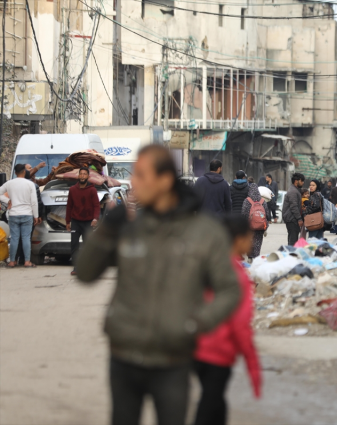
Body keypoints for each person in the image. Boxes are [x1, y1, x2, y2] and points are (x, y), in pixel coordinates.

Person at [75, 145, 241, 425]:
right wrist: (106, 230)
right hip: (123, 355)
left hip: (173, 361)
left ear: (164, 181)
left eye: (140, 174)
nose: (133, 182)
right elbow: (85, 273)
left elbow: (229, 289)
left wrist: (196, 322)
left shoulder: (203, 232)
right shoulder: (129, 226)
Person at [193, 215, 261, 425]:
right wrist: (253, 367)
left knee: (216, 404)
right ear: (238, 239)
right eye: (249, 236)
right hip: (217, 351)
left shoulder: (206, 263)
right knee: (209, 406)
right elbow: (240, 325)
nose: (252, 241)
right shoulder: (236, 274)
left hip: (194, 347)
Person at [0, 164, 39, 268]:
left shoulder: (9, 183)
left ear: (15, 173)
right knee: (26, 238)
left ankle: (12, 261)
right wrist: (36, 216)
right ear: (24, 172)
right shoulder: (29, 184)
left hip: (13, 214)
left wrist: (7, 200)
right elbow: (34, 202)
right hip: (27, 214)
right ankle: (27, 261)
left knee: (14, 238)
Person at [66, 167, 101, 276]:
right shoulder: (72, 189)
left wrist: (95, 218)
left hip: (88, 222)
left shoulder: (92, 190)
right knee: (74, 245)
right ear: (78, 176)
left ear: (88, 176)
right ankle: (76, 267)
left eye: (85, 174)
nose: (82, 176)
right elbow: (69, 206)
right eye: (81, 174)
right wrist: (67, 221)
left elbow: (96, 205)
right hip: (75, 222)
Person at [15, 167, 45, 265]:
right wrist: (39, 215)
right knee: (26, 238)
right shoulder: (33, 185)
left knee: (16, 237)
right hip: (29, 215)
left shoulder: (13, 184)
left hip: (14, 214)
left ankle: (14, 259)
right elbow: (37, 202)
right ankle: (24, 259)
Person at [241, 183, 270, 259]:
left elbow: (243, 213)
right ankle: (256, 257)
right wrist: (266, 225)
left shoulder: (247, 201)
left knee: (250, 242)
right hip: (260, 226)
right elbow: (267, 214)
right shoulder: (263, 201)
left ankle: (250, 257)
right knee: (258, 242)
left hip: (249, 226)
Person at [282, 173, 305, 246]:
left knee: (293, 239)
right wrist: (299, 219)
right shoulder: (293, 191)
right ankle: (291, 255)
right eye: (301, 181)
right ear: (296, 181)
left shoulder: (296, 190)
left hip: (292, 219)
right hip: (292, 219)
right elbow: (293, 206)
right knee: (293, 241)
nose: (303, 182)